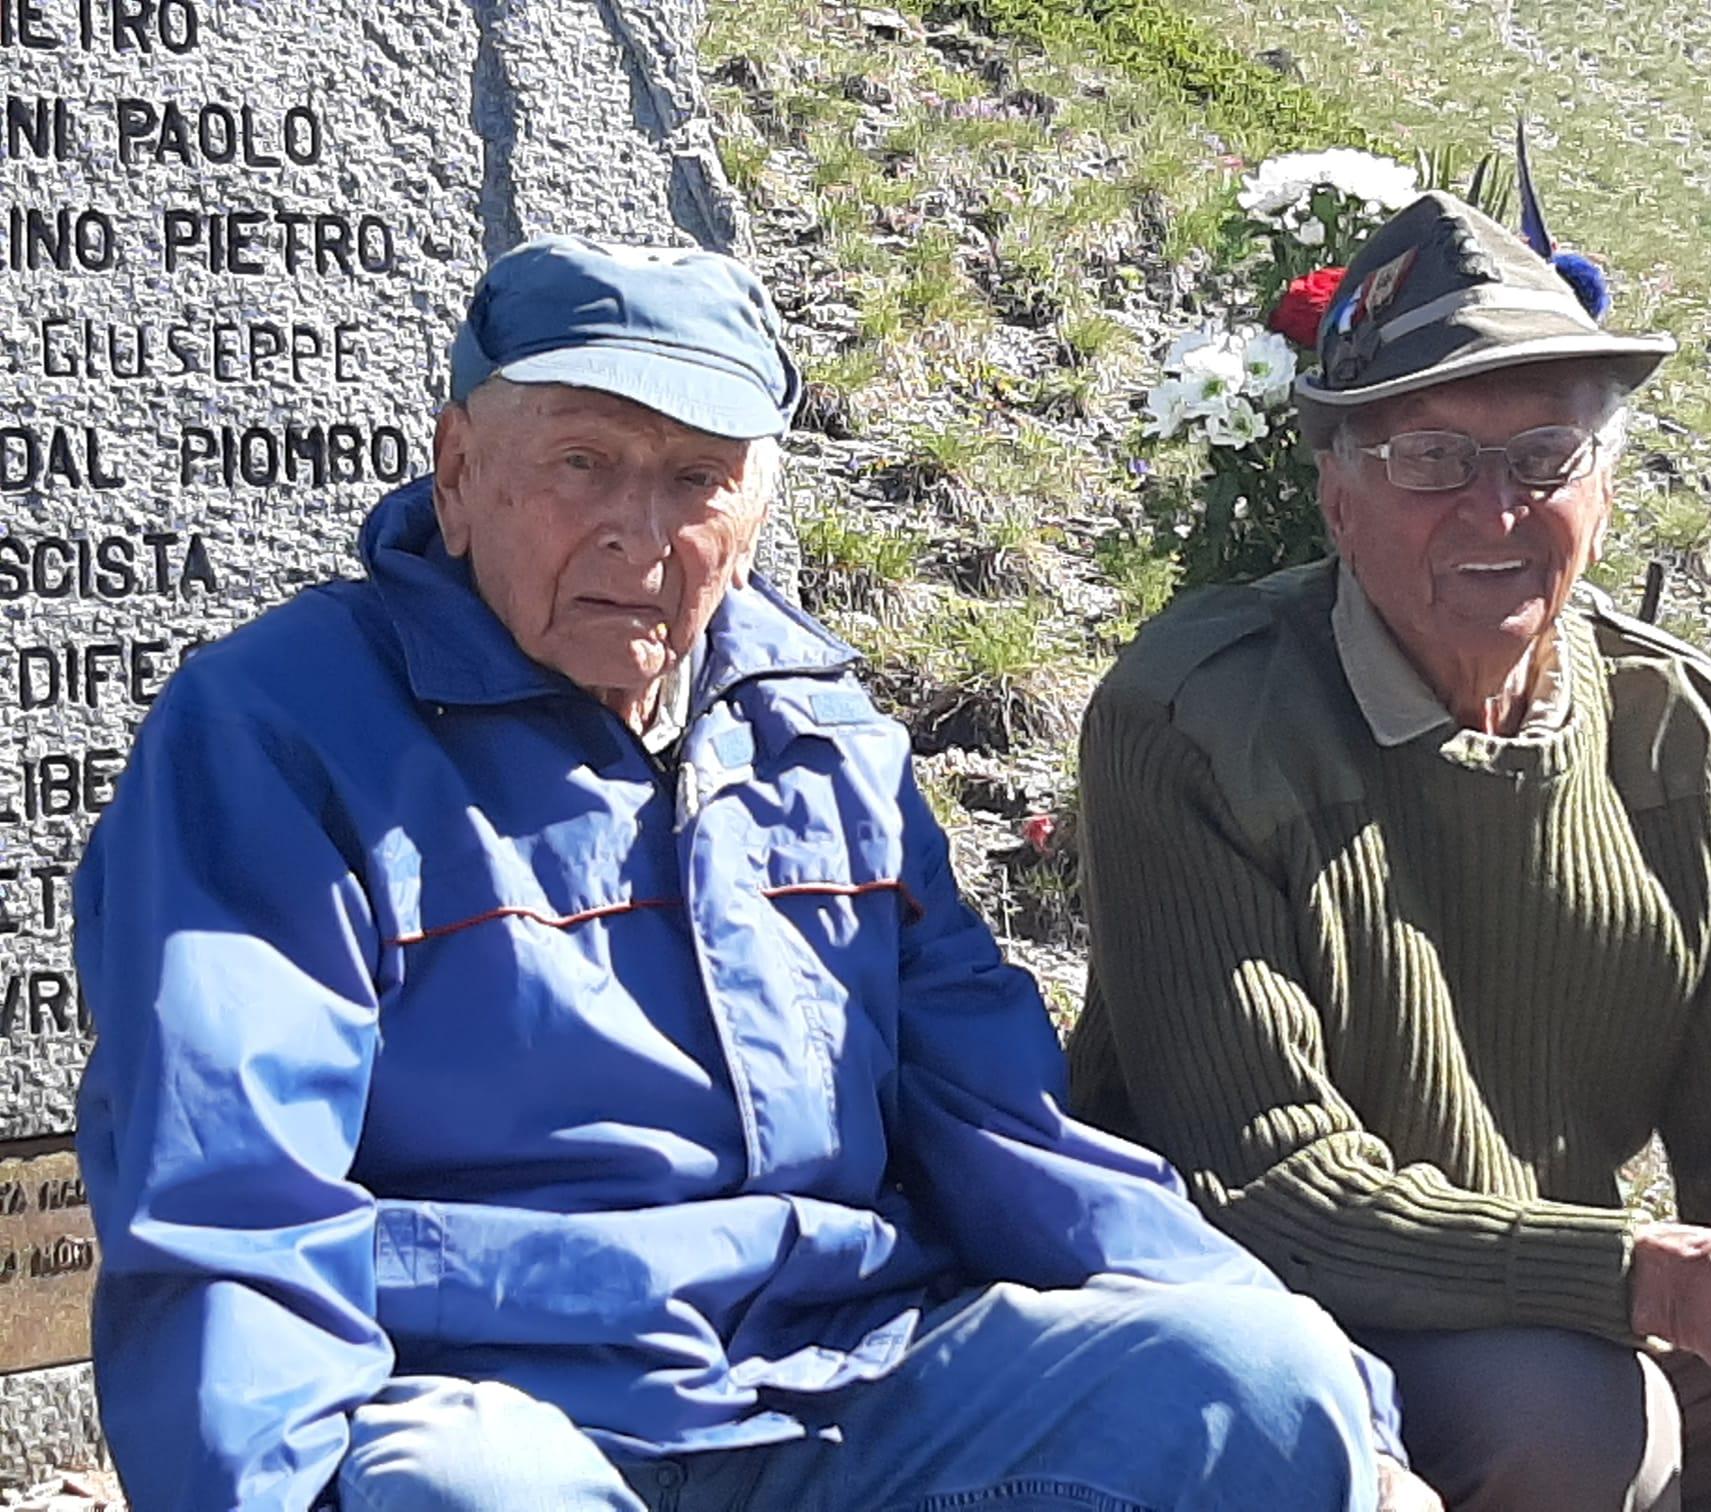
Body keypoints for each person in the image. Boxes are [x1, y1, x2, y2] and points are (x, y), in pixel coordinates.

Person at [73, 235, 1424, 1512]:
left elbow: (1012, 1133)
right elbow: (227, 1202)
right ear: (457, 474)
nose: (636, 532)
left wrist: (1341, 1404)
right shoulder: (277, 731)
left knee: (1256, 1387)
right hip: (495, 1390)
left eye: (695, 480)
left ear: (757, 510)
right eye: (583, 464)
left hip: (834, 1380)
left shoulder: (823, 738)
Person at [1069, 189, 1711, 1511]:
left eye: (1543, 460)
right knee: (1575, 1421)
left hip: (1563, 1285)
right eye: (1432, 460)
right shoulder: (1201, 721)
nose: (1496, 512)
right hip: (1263, 1319)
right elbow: (1263, 1179)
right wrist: (1647, 1275)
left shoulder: (1683, 736)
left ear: (1607, 484)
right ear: (1337, 492)